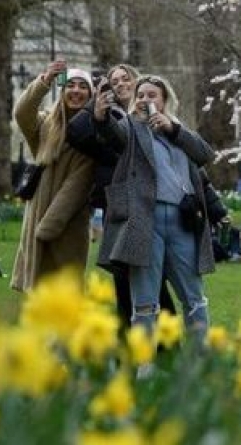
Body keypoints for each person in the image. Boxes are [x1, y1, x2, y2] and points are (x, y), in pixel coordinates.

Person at [96, 74, 215, 348]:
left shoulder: (178, 130)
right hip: (144, 221)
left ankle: (202, 357)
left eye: (152, 95)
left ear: (164, 101)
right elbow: (112, 134)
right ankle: (145, 364)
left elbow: (205, 154)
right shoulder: (130, 127)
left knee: (193, 294)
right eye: (141, 95)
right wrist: (101, 117)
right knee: (145, 298)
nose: (145, 100)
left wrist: (172, 129)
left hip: (181, 222)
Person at [66, 63, 177, 331]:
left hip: (149, 203)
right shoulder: (109, 116)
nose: (120, 83)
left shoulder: (152, 118)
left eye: (125, 78)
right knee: (124, 275)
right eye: (114, 81)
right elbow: (76, 133)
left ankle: (163, 338)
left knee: (151, 276)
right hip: (119, 205)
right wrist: (98, 97)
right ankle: (132, 340)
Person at [12, 61, 96, 291]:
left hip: (68, 222)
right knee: (37, 291)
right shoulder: (46, 125)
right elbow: (21, 113)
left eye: (82, 86)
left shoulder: (95, 132)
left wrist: (50, 225)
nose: (76, 91)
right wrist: (44, 81)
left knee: (64, 290)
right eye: (70, 85)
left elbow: (78, 183)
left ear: (90, 94)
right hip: (37, 212)